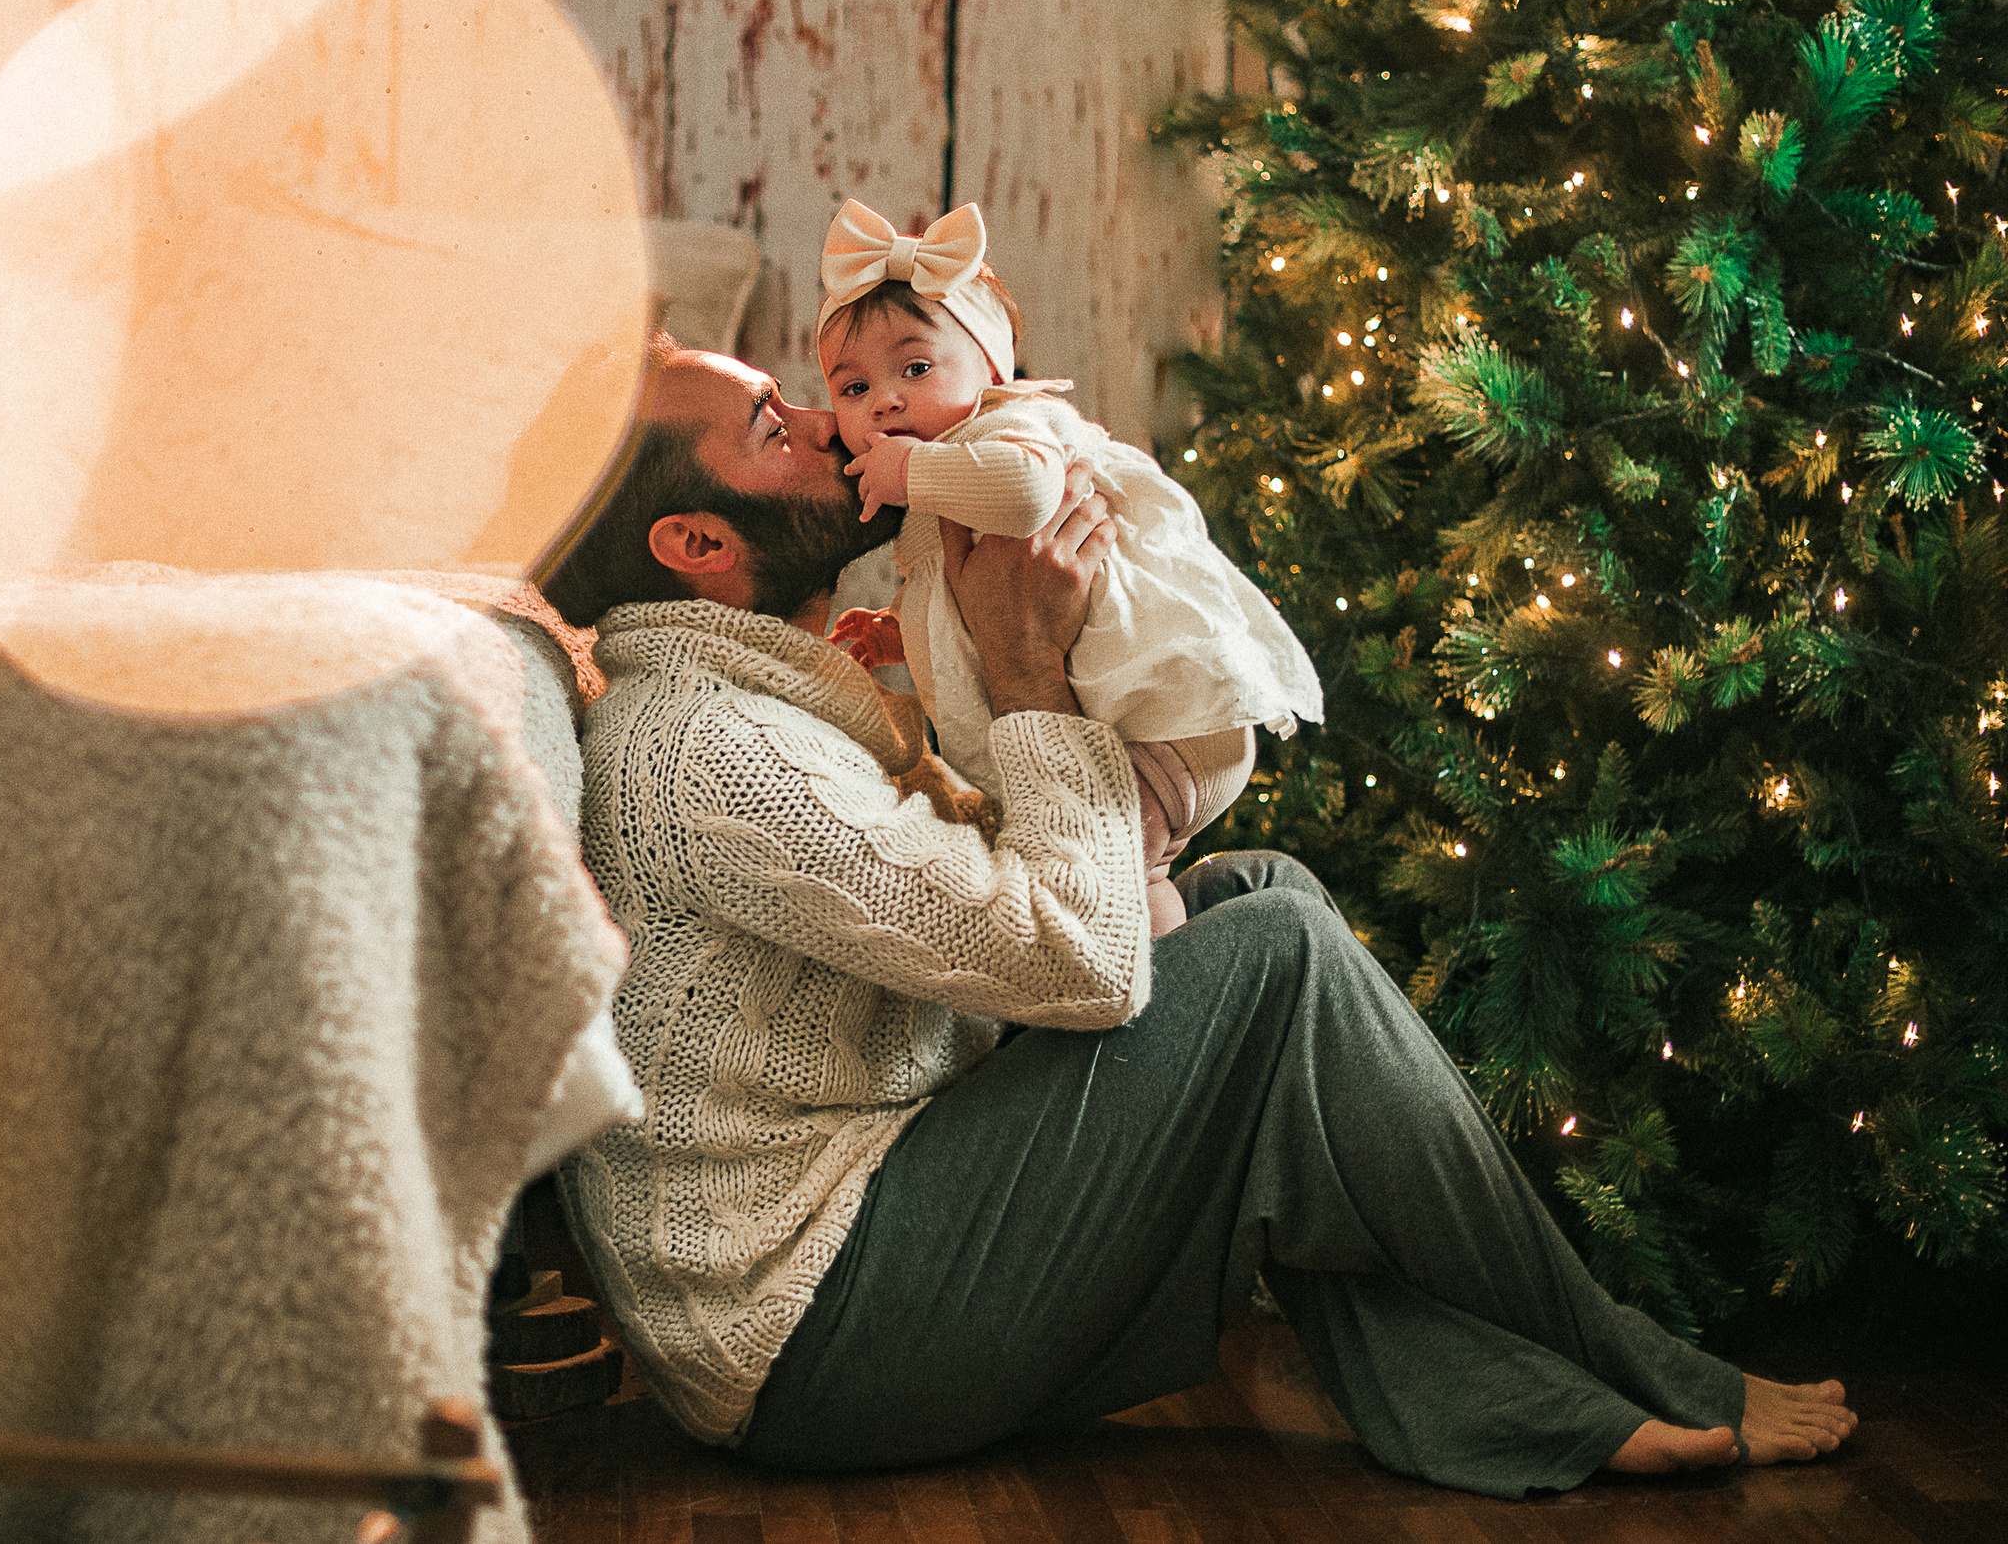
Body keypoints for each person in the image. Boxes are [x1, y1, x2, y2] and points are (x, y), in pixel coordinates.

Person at [539, 334, 1854, 1500]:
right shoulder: (710, 747)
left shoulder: (752, 701)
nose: (832, 422)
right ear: (699, 544)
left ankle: (1516, 1396)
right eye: (774, 426)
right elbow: (1080, 961)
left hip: (861, 1243)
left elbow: (1006, 926)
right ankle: (1629, 1358)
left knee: (1257, 896)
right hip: (809, 1329)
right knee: (1273, 962)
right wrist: (1028, 675)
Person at [814, 198, 1320, 938]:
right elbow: (968, 604)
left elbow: (1026, 495)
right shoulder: (945, 483)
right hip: (1126, 728)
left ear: (990, 366)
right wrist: (897, 634)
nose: (884, 401)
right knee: (1113, 882)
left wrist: (913, 469)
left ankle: (1166, 995)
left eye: (915, 367)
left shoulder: (1009, 429)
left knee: (1108, 896)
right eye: (853, 388)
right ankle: (1175, 984)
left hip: (1163, 721)